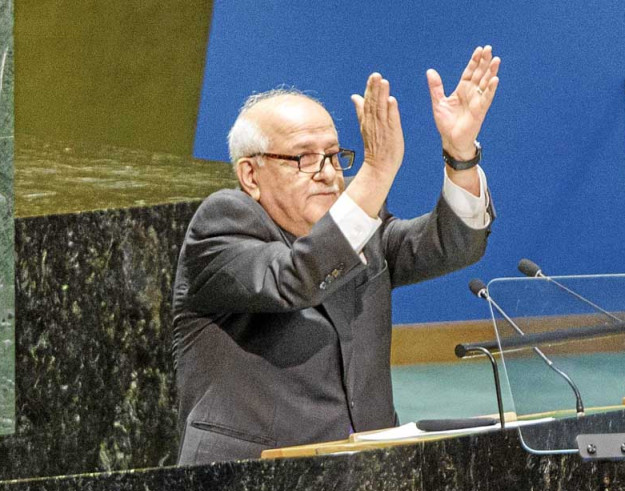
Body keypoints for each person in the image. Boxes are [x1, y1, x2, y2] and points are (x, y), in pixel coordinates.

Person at [173, 46, 501, 464]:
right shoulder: (222, 223)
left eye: (333, 155)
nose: (329, 173)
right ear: (251, 175)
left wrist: (461, 155)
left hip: (363, 471)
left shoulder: (360, 225)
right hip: (250, 479)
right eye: (304, 158)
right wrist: (377, 171)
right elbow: (294, 279)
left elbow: (452, 244)